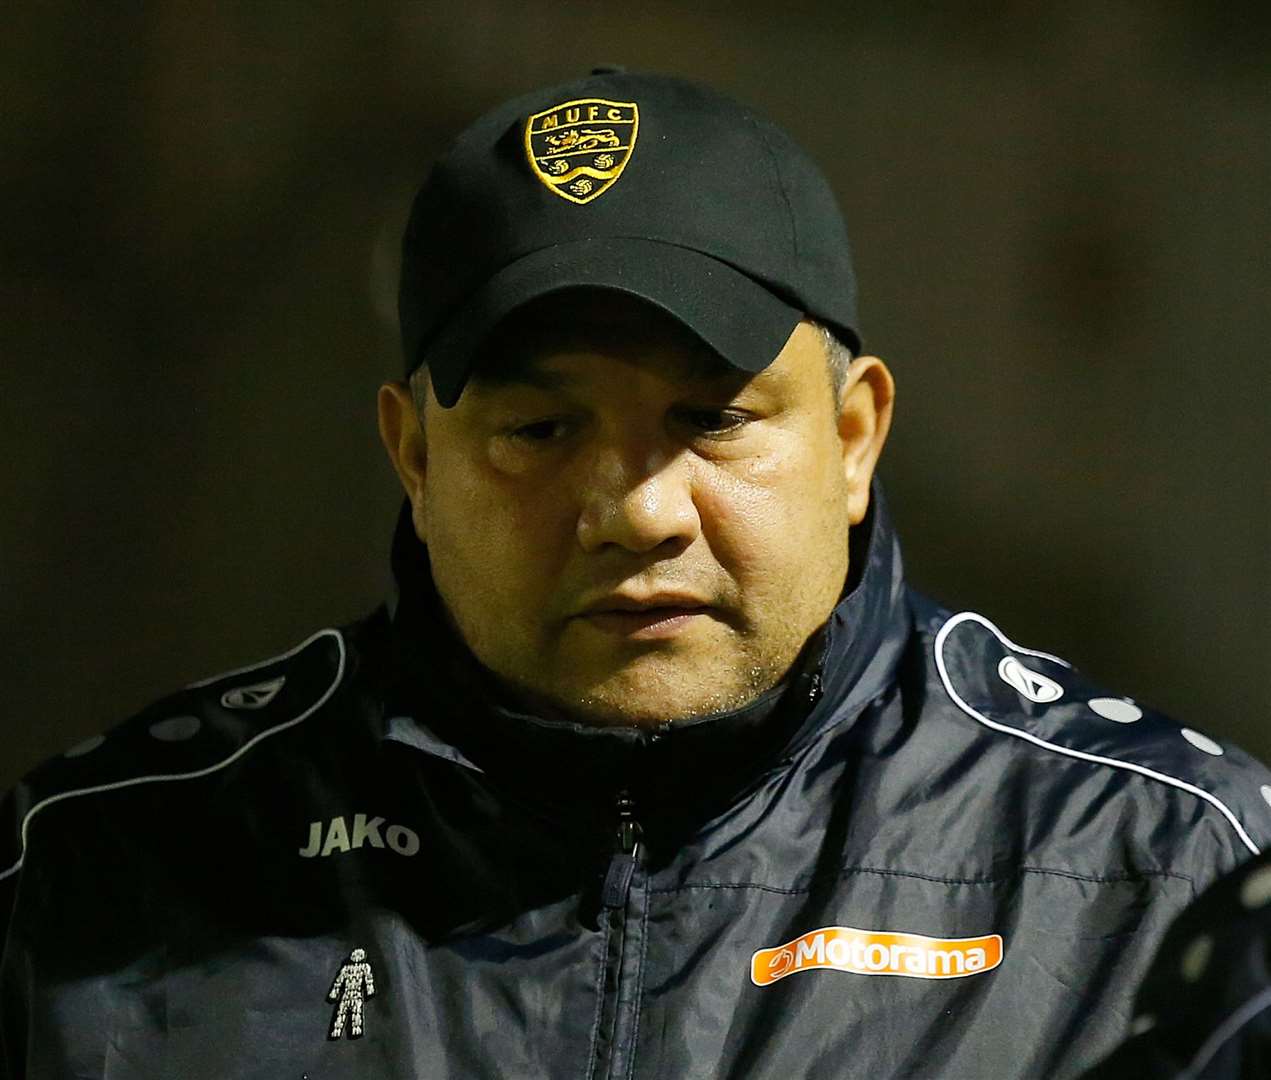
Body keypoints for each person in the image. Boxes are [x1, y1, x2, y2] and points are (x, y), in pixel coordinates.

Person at [1, 66, 1268, 1079]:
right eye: (539, 431)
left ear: (851, 438)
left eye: (712, 421)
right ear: (413, 455)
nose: (635, 511)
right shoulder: (95, 869)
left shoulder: (1162, 872)